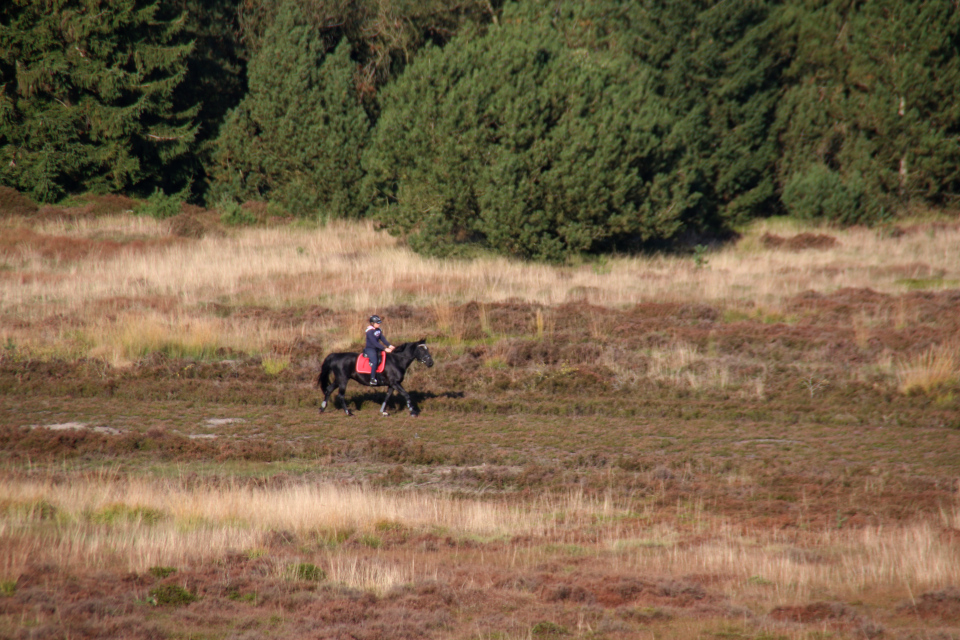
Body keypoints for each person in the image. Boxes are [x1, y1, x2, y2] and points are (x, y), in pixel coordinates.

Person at [363, 315, 394, 385]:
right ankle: (372, 379)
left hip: (377, 348)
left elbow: (383, 339)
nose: (379, 324)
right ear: (372, 323)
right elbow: (375, 343)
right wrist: (385, 349)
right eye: (377, 323)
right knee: (375, 361)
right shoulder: (369, 332)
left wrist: (390, 345)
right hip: (370, 349)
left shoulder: (378, 330)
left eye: (379, 322)